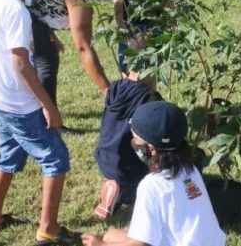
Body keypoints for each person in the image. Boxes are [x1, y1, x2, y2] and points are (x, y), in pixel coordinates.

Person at [0, 0, 79, 245]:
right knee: (56, 158)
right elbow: (21, 65)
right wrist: (48, 106)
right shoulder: (16, 11)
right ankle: (48, 229)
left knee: (8, 156)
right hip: (18, 105)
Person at [0, 0, 113, 128]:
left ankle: (45, 113)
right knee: (46, 59)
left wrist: (47, 32)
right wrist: (109, 92)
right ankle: (47, 119)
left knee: (47, 50)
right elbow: (83, 47)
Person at [81, 101, 227, 246]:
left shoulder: (152, 185)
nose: (133, 142)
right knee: (111, 234)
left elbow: (139, 245)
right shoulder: (190, 168)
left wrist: (99, 245)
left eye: (135, 139)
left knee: (108, 238)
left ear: (151, 149)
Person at [92, 73, 161, 220]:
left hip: (105, 156)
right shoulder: (149, 99)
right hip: (129, 165)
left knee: (118, 163)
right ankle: (124, 193)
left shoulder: (115, 87)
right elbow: (143, 141)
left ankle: (111, 186)